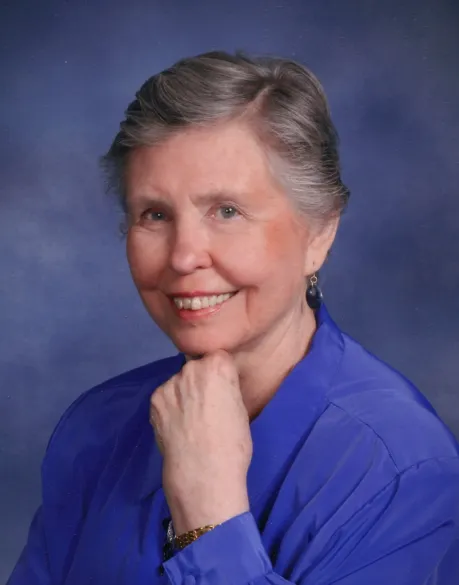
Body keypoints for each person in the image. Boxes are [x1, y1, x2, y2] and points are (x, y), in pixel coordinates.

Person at [7, 50, 459, 585]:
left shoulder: (402, 471)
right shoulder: (97, 427)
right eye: (155, 214)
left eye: (226, 211)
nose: (183, 257)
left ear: (319, 234)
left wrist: (207, 512)